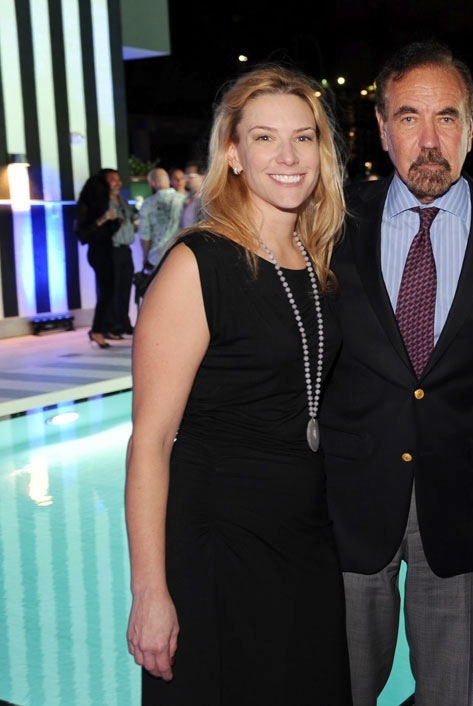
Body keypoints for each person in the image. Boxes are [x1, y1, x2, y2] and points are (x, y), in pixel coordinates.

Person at [318, 40, 473, 706]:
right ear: (384, 129)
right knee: (342, 688)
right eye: (410, 118)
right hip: (350, 507)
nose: (429, 138)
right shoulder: (331, 222)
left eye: (446, 117)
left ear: (471, 131)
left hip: (466, 508)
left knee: (450, 695)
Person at [124, 64, 352, 705]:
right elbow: (151, 440)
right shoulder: (197, 264)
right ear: (232, 153)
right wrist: (150, 590)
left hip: (302, 543)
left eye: (303, 138)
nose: (287, 156)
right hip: (217, 553)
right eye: (264, 138)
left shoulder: (314, 259)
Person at [74, 169, 123, 347]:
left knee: (109, 292)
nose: (117, 183)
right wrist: (104, 219)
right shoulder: (89, 206)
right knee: (106, 292)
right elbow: (83, 235)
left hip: (107, 251)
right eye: (112, 180)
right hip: (98, 253)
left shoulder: (102, 203)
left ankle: (104, 327)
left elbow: (106, 232)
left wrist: (117, 223)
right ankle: (96, 330)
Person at [100, 168, 140, 336]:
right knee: (111, 289)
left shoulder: (123, 200)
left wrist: (135, 224)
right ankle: (110, 326)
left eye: (118, 179)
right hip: (110, 250)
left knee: (125, 288)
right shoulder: (100, 203)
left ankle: (123, 322)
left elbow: (132, 220)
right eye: (113, 180)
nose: (118, 182)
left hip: (126, 250)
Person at [137, 167, 186, 272]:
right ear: (168, 180)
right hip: (181, 256)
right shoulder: (184, 200)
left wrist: (145, 257)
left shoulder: (148, 204)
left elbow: (145, 235)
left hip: (156, 258)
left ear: (153, 183)